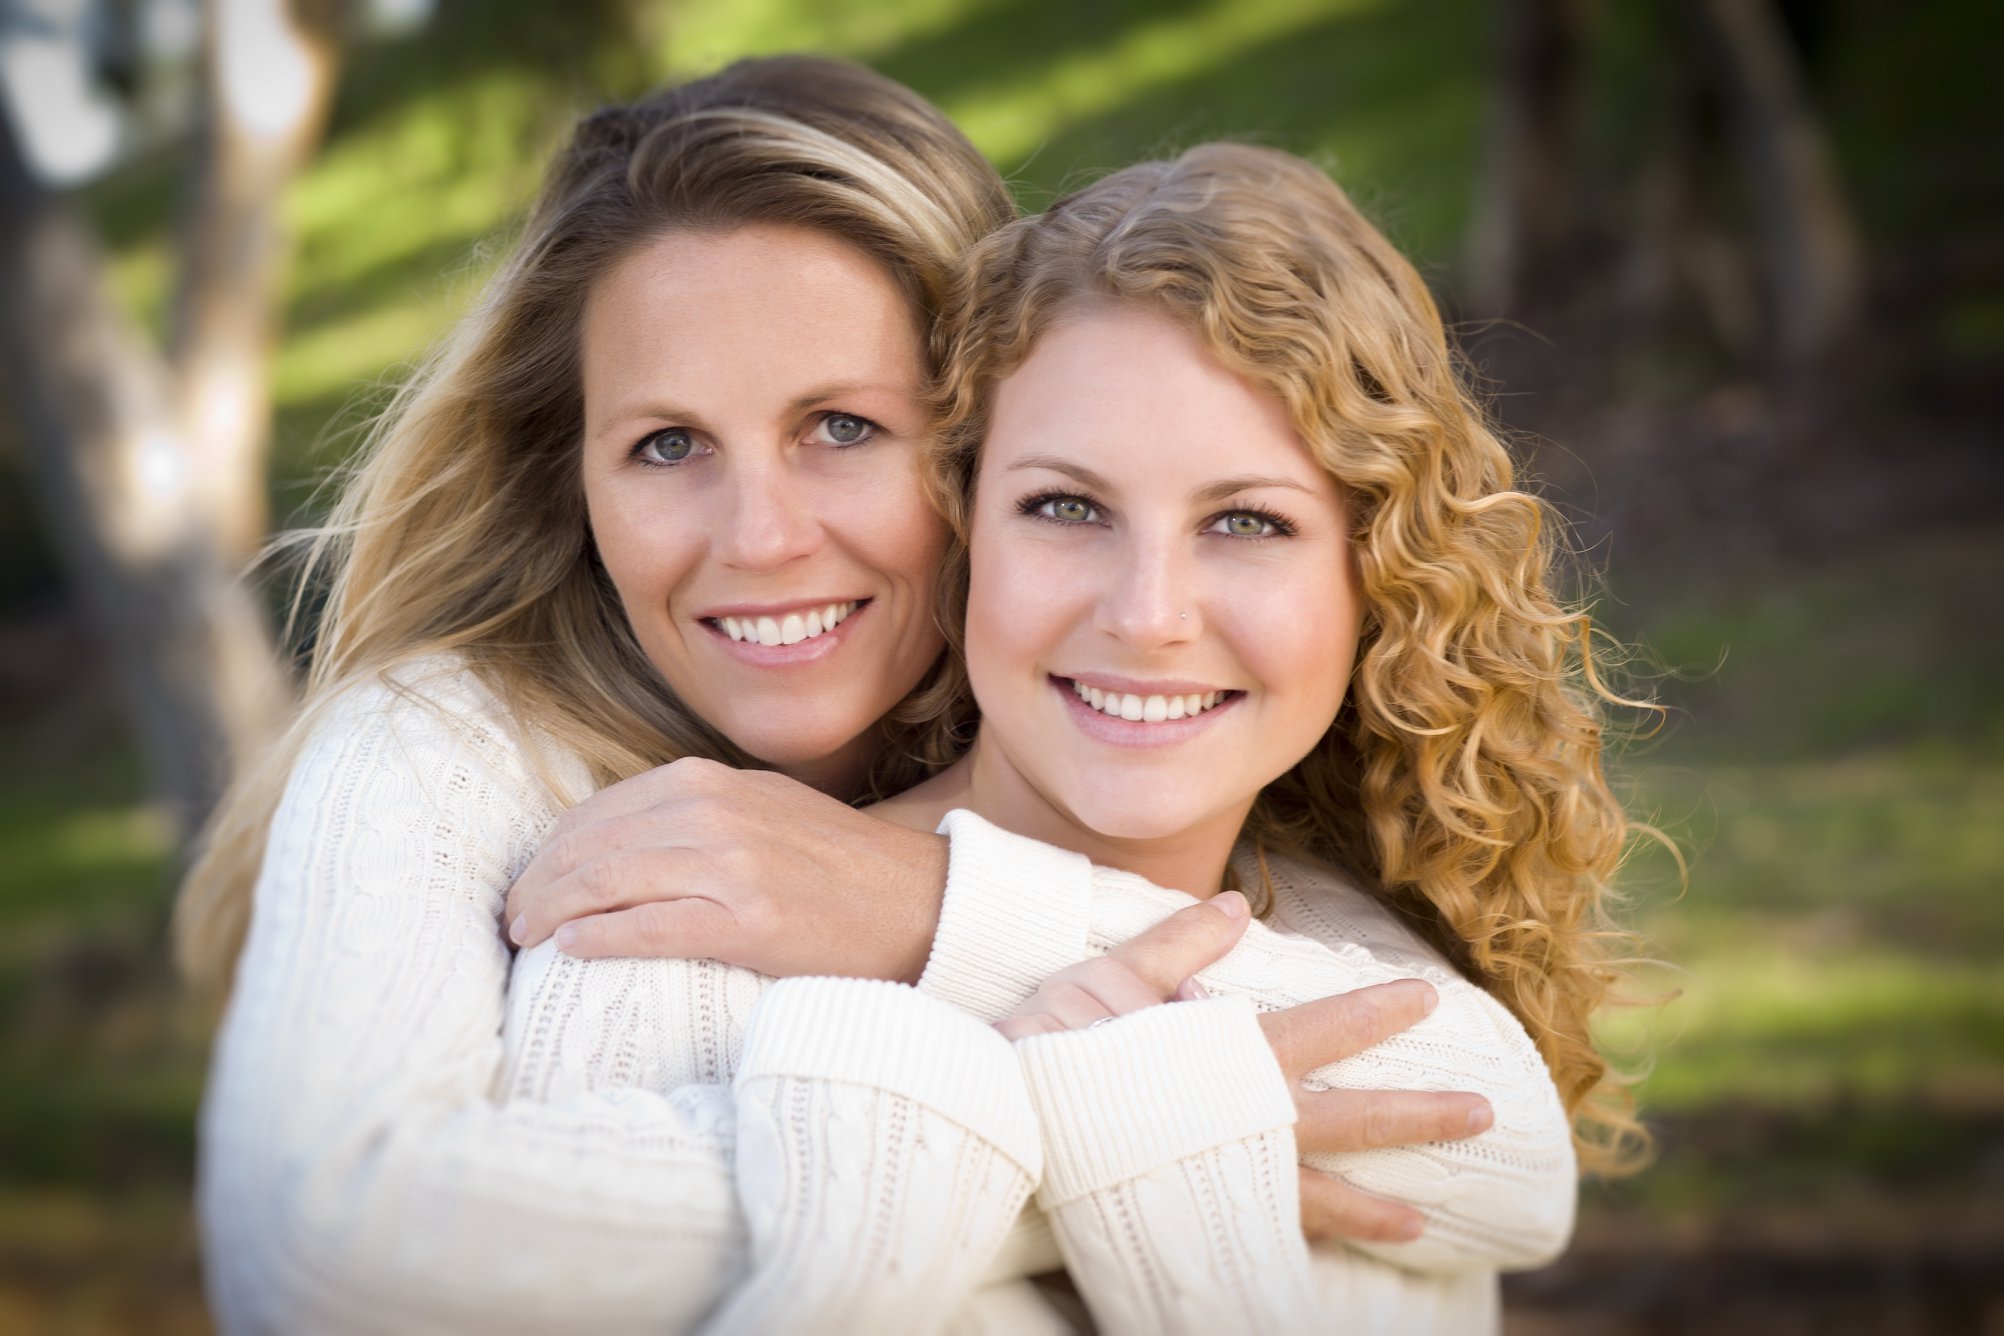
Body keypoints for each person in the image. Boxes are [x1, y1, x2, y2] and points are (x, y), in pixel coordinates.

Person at [180, 58, 1526, 1332]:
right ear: (571, 485)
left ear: (975, 442)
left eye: (841, 429)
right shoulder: (494, 796)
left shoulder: (1163, 793)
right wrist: (1087, 1122)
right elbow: (318, 1252)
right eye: (665, 445)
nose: (760, 535)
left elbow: (1512, 1148)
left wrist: (934, 911)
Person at [502, 143, 1648, 1333]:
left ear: (1378, 576)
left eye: (1247, 521)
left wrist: (1062, 1090)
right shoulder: (675, 940)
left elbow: (1515, 1167)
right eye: (1065, 507)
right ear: (961, 526)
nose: (1147, 614)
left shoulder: (1371, 998)